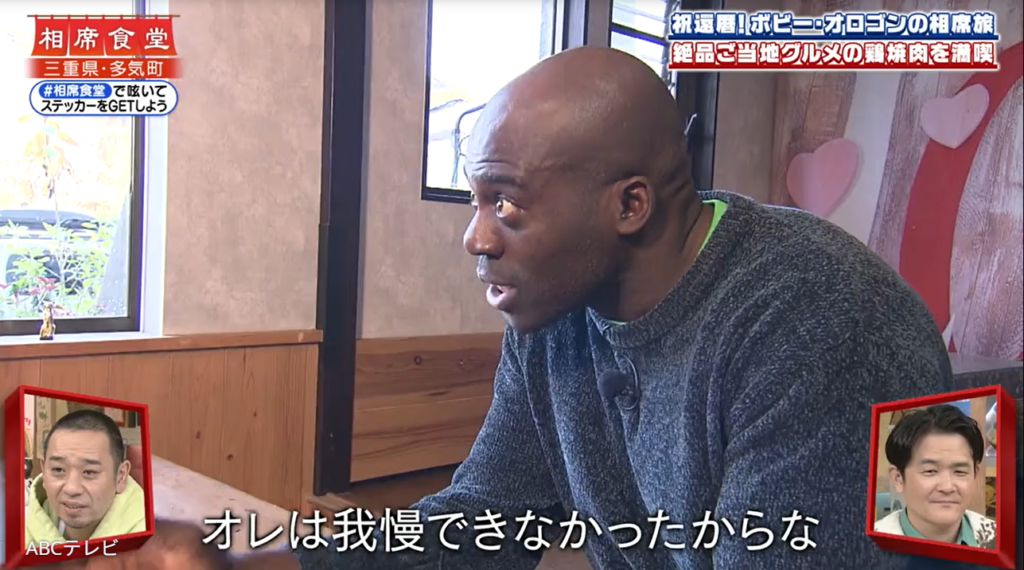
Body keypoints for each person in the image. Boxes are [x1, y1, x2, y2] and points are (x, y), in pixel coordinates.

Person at [43, 47, 958, 570]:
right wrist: (264, 561)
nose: (474, 237)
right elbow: (489, 518)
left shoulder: (822, 323)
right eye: (476, 199)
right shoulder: (558, 312)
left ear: (629, 205)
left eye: (506, 203)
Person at [875, 404, 996, 548]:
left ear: (975, 474)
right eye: (930, 471)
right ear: (898, 478)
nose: (947, 487)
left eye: (960, 471)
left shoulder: (1001, 540)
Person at [25, 409, 146, 549]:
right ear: (44, 471)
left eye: (89, 472)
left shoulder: (149, 544)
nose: (72, 489)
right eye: (58, 470)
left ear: (120, 476)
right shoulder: (24, 530)